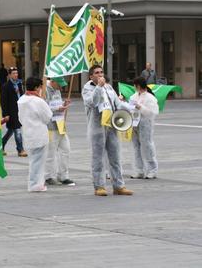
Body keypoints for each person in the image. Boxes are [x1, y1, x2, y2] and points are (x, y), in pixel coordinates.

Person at [82, 65, 133, 196]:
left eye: (101, 72)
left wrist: (131, 108)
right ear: (91, 76)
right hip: (97, 127)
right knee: (98, 158)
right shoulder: (87, 89)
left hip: (111, 125)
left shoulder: (109, 87)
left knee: (115, 156)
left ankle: (118, 185)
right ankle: (99, 186)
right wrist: (99, 87)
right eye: (96, 73)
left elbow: (117, 104)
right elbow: (92, 102)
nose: (100, 74)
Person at [18, 77, 53, 192]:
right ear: (37, 88)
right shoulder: (38, 101)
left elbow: (20, 118)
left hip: (27, 133)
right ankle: (36, 184)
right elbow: (48, 117)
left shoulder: (21, 100)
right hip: (39, 134)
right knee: (39, 161)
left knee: (33, 160)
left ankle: (35, 183)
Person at [44, 77, 75, 186]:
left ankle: (63, 176)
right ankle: (48, 176)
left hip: (60, 124)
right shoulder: (44, 89)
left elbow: (57, 103)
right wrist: (57, 108)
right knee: (50, 152)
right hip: (50, 126)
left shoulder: (56, 90)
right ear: (52, 81)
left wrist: (64, 103)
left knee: (66, 149)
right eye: (59, 84)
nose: (61, 86)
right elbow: (43, 107)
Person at [130, 76, 159, 179]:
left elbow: (152, 112)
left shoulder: (150, 98)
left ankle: (152, 170)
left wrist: (140, 107)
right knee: (136, 147)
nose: (134, 87)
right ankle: (139, 170)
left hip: (145, 124)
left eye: (135, 85)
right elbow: (129, 108)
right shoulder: (133, 97)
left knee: (147, 146)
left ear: (138, 86)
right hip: (134, 124)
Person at [1, 67, 27, 157]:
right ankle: (20, 149)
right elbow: (3, 102)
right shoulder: (6, 86)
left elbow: (22, 96)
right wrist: (5, 114)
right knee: (17, 130)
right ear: (9, 75)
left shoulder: (19, 84)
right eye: (14, 73)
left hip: (19, 111)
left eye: (16, 73)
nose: (16, 75)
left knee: (10, 131)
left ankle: (1, 145)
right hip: (11, 112)